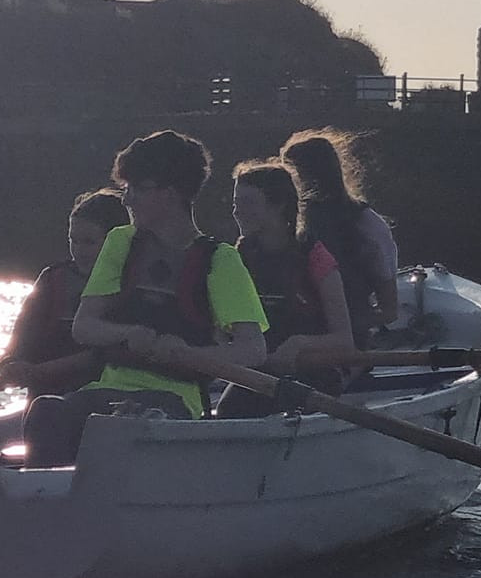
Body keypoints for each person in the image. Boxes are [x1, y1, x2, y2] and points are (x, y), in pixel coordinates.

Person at [21, 131, 266, 464]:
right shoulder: (121, 243)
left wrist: (189, 352)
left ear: (171, 193)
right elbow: (85, 327)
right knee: (46, 412)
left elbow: (252, 349)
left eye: (137, 189)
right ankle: (46, 501)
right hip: (108, 390)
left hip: (177, 399)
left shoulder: (220, 259)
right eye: (127, 189)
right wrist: (128, 334)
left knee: (131, 426)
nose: (127, 200)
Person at [214, 161, 354, 417]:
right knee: (226, 412)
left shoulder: (315, 257)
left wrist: (297, 344)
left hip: (314, 372)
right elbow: (222, 325)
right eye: (236, 203)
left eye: (247, 203)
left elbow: (345, 341)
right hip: (259, 372)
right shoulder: (240, 255)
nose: (237, 212)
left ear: (278, 206)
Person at [1, 189, 127, 398]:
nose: (79, 250)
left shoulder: (130, 286)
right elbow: (23, 334)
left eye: (89, 242)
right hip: (47, 398)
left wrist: (41, 371)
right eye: (73, 240)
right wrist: (10, 362)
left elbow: (108, 354)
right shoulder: (53, 279)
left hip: (101, 399)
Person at [280, 129, 400, 338]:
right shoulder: (279, 223)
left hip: (344, 345)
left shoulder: (365, 224)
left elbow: (389, 311)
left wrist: (340, 322)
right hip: (288, 338)